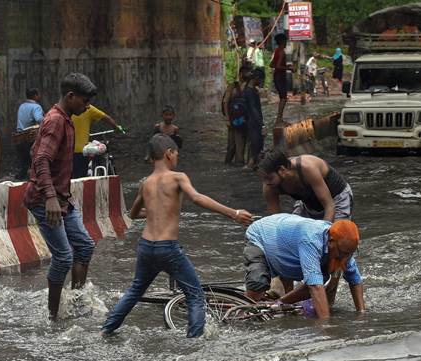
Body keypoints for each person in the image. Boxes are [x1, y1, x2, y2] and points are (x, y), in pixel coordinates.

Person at [101, 134, 252, 337]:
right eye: (176, 154)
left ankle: (106, 329)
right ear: (169, 154)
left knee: (135, 291)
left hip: (146, 246)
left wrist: (155, 212)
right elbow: (197, 198)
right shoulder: (178, 177)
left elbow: (134, 214)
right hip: (168, 248)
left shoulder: (146, 183)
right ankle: (194, 341)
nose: (177, 158)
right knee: (195, 295)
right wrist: (233, 213)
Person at [23, 73, 98, 320]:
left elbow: (41, 154)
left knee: (85, 245)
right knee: (64, 257)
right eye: (84, 101)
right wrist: (51, 197)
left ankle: (76, 303)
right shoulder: (55, 120)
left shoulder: (66, 119)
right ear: (70, 96)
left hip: (62, 199)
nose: (87, 106)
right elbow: (41, 158)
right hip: (46, 200)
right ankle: (53, 316)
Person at [243, 213, 364, 318]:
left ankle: (279, 302)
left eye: (350, 254)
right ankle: (245, 309)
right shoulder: (311, 240)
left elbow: (355, 281)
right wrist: (327, 326)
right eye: (342, 253)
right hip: (261, 235)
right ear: (330, 241)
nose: (346, 258)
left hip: (286, 241)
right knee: (258, 283)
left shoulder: (344, 249)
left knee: (321, 278)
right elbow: (315, 287)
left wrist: (361, 313)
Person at [258, 149, 353, 222]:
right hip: (308, 204)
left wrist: (323, 234)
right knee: (293, 234)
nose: (266, 183)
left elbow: (329, 205)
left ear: (282, 170)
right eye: (263, 178)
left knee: (335, 237)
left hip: (336, 198)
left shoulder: (307, 168)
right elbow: (276, 220)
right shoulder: (269, 187)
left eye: (269, 178)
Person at [71, 104, 118, 179]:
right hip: (81, 151)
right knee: (81, 179)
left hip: (66, 152)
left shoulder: (65, 110)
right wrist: (116, 127)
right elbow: (106, 118)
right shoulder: (88, 108)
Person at [15, 88, 44, 180]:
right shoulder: (36, 107)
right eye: (38, 94)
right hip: (30, 138)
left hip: (19, 137)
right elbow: (39, 119)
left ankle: (19, 181)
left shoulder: (22, 106)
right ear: (35, 96)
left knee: (24, 163)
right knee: (33, 163)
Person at [222, 75, 247, 166]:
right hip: (233, 119)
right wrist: (227, 118)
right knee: (232, 145)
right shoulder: (232, 86)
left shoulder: (248, 87)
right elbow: (225, 102)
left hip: (243, 120)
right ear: (241, 74)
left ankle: (239, 163)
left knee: (241, 143)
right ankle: (228, 162)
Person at [244, 68, 265, 169]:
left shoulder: (250, 90)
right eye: (260, 80)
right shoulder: (250, 92)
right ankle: (248, 169)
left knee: (255, 150)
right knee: (255, 152)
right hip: (254, 124)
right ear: (256, 78)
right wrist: (262, 125)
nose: (261, 82)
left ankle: (250, 167)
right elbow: (254, 110)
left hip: (253, 123)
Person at [270, 33, 289, 125]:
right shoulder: (281, 51)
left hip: (277, 76)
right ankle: (279, 119)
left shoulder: (277, 51)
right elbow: (277, 66)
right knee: (284, 98)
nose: (286, 43)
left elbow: (271, 65)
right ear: (282, 42)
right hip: (280, 76)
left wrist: (284, 66)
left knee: (283, 97)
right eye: (285, 41)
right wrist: (288, 68)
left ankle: (279, 118)